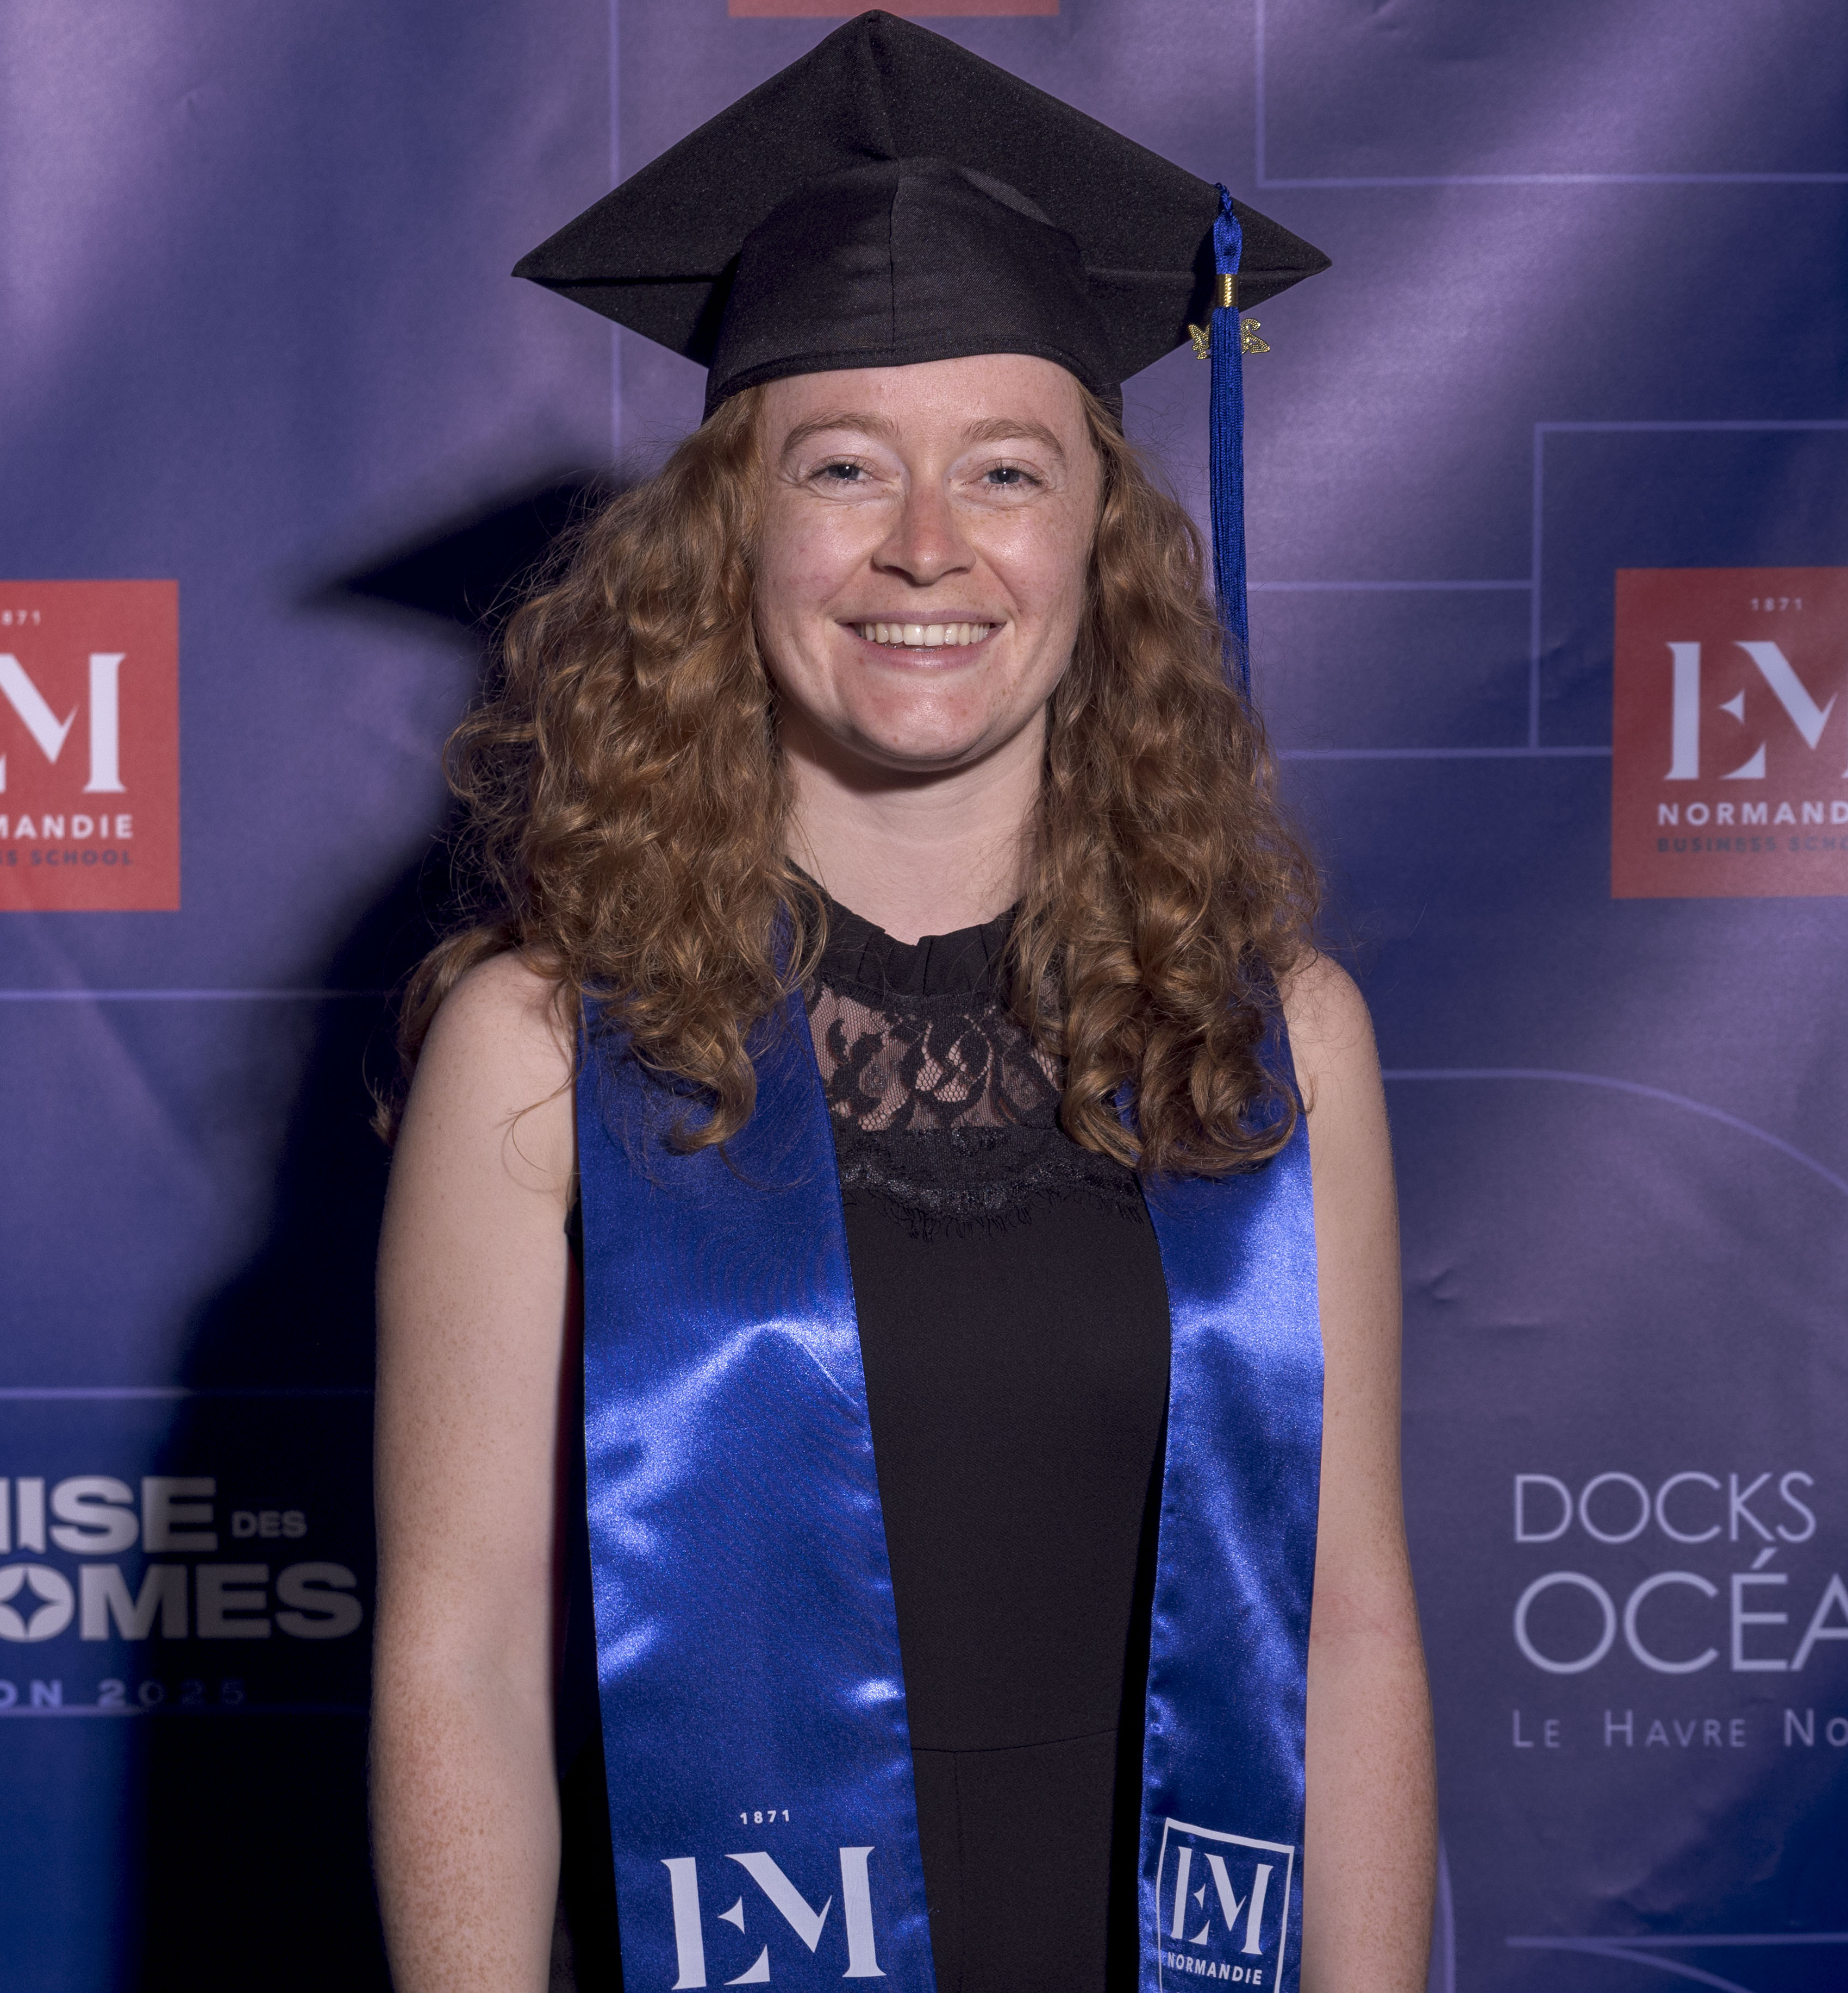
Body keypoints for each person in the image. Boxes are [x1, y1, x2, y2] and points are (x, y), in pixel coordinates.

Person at [372, 15, 1433, 1990]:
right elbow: (463, 1659)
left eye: (1004, 471)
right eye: (844, 467)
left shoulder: (1275, 1040)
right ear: (730, 535)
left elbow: (1346, 1624)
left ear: (1099, 539)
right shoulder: (546, 1053)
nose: (926, 546)